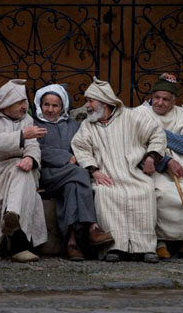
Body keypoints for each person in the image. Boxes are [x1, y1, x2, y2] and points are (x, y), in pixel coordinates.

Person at [71, 77, 167, 263]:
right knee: (104, 193)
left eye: (90, 101)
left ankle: (145, 247)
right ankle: (113, 247)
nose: (87, 106)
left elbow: (157, 134)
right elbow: (80, 147)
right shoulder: (87, 126)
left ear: (104, 102)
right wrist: (94, 170)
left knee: (145, 190)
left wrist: (151, 156)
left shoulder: (132, 117)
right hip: (106, 176)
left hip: (133, 174)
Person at [33, 83, 114, 261]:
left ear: (62, 107)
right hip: (47, 176)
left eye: (55, 105)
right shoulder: (34, 124)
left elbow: (82, 145)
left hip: (69, 177)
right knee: (80, 173)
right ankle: (92, 226)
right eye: (46, 104)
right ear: (40, 104)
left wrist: (76, 157)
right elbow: (37, 150)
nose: (50, 109)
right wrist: (65, 157)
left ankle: (72, 243)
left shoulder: (73, 125)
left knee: (72, 187)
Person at [133, 73, 183, 259]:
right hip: (150, 161)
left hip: (181, 161)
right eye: (156, 98)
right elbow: (136, 144)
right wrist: (163, 159)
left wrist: (156, 132)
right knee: (160, 192)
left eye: (166, 99)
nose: (160, 103)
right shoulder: (138, 114)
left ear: (174, 100)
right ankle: (160, 241)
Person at [0, 79, 48, 263]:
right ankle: (21, 242)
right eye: (20, 102)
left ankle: (13, 221)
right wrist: (21, 136)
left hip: (17, 170)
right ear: (6, 102)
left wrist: (30, 158)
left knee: (22, 170)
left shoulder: (27, 120)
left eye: (25, 102)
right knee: (26, 182)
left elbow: (33, 146)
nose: (24, 106)